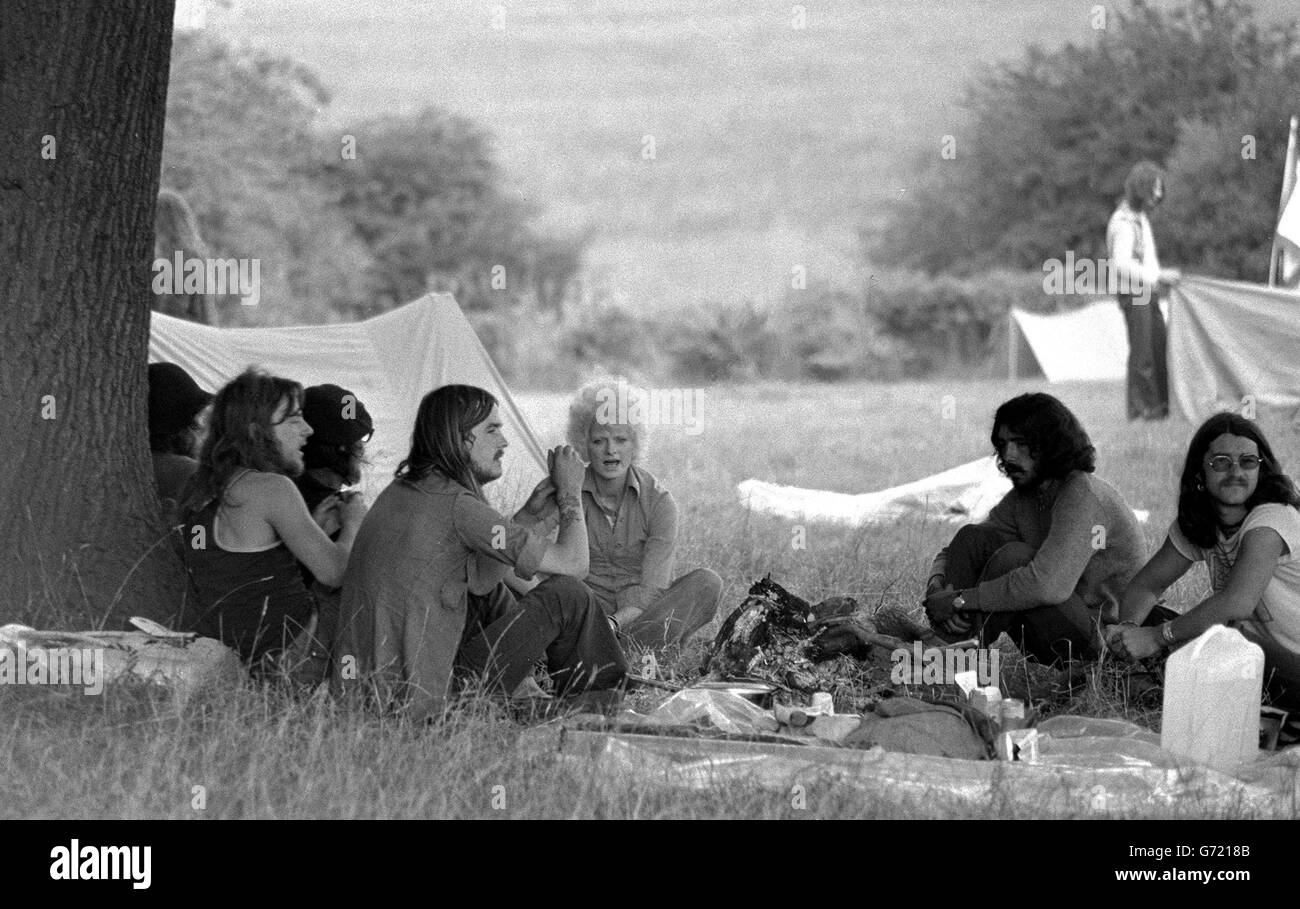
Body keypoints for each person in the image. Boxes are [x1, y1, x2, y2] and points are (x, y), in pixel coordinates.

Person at [333, 384, 627, 722]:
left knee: (498, 591)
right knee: (568, 595)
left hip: (370, 699)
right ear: (460, 440)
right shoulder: (459, 506)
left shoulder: (406, 491)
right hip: (424, 703)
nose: (503, 442)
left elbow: (480, 583)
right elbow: (575, 565)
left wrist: (529, 517)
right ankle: (602, 706)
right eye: (492, 430)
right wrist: (572, 494)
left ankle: (539, 697)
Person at [923, 393, 1146, 665]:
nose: (1008, 455)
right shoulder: (1027, 496)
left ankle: (945, 658)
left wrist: (960, 600)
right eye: (1003, 444)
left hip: (1105, 644)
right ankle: (944, 647)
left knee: (1014, 558)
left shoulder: (1083, 495)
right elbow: (960, 548)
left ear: (1052, 444)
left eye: (1021, 443)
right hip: (1055, 623)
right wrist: (936, 589)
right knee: (973, 537)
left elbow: (1047, 586)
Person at [178, 369, 367, 678]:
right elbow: (335, 573)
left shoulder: (203, 484)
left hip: (245, 653)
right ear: (256, 431)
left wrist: (311, 528)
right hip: (294, 648)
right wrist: (353, 523)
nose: (307, 430)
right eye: (293, 420)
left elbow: (243, 567)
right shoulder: (272, 487)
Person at [1107, 413, 1300, 708]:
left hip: (1282, 662)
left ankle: (1168, 687)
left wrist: (1158, 637)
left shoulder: (1273, 519)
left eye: (1248, 462)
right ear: (1200, 471)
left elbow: (1237, 603)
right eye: (1221, 461)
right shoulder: (1202, 523)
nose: (1236, 471)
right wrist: (1130, 632)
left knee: (1223, 639)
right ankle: (1142, 679)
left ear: (1261, 471)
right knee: (1159, 616)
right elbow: (1146, 586)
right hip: (1249, 653)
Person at [550, 378, 721, 649]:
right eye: (599, 440)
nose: (611, 450)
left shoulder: (659, 501)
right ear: (583, 443)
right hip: (582, 613)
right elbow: (538, 559)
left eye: (620, 439)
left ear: (636, 442)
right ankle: (629, 651)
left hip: (638, 616)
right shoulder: (568, 489)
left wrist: (613, 624)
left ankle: (615, 649)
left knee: (707, 583)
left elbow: (654, 588)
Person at [1106, 160, 1182, 421]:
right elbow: (1121, 264)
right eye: (1154, 189)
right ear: (1141, 189)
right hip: (1134, 292)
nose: (1158, 195)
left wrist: (1157, 277)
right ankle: (1141, 411)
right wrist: (1160, 275)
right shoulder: (1124, 222)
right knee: (1143, 353)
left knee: (1158, 347)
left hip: (1146, 291)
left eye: (1160, 190)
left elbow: (1146, 260)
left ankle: (1159, 408)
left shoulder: (1140, 219)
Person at [147, 362, 211, 512]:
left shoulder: (129, 462)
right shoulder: (188, 473)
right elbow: (198, 532)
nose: (199, 426)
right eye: (195, 417)